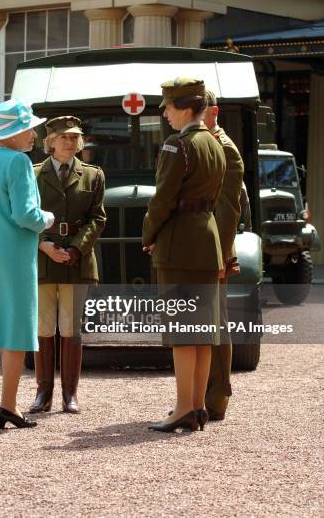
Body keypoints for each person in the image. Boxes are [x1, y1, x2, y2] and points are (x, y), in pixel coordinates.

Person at [0, 99, 54, 429]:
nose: (33, 134)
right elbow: (25, 215)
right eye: (28, 128)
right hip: (11, 255)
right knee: (17, 330)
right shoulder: (18, 162)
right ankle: (9, 406)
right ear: (13, 133)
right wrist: (49, 218)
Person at [142, 77, 226, 433]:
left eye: (169, 106)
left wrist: (149, 234)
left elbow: (163, 199)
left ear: (187, 108)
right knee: (202, 331)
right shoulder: (215, 143)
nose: (163, 112)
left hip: (178, 241)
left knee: (180, 330)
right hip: (208, 239)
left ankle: (181, 408)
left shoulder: (178, 146)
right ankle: (197, 406)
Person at [29, 116, 106, 415]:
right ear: (50, 142)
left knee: (72, 329)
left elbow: (97, 219)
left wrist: (75, 249)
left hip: (78, 260)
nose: (71, 142)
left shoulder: (93, 174)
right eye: (64, 137)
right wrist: (42, 244)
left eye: (75, 137)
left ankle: (69, 395)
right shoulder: (33, 174)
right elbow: (23, 215)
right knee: (44, 328)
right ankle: (42, 393)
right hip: (43, 259)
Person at [203, 90, 244, 421]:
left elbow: (228, 211)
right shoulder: (206, 143)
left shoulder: (224, 148)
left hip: (214, 249)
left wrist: (220, 256)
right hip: (200, 247)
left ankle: (216, 399)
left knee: (215, 322)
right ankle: (201, 395)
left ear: (213, 112)